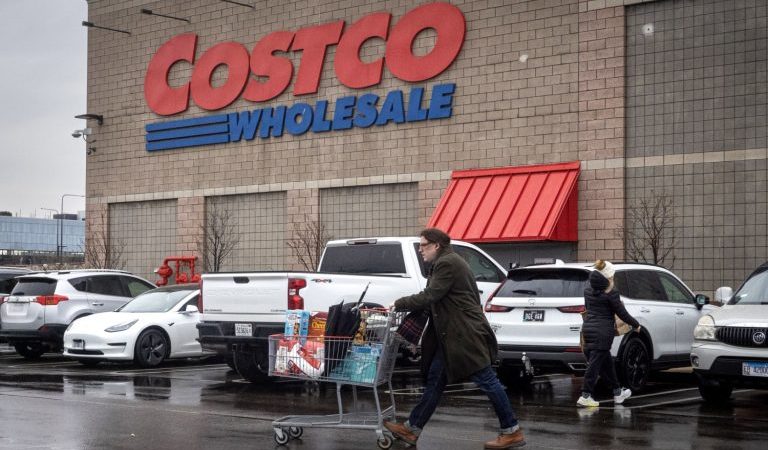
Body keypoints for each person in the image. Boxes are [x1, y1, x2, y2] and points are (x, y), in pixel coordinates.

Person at [384, 228, 525, 449]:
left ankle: (512, 431)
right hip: (452, 336)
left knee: (487, 379)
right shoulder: (446, 262)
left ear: (436, 245)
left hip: (464, 334)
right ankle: (412, 429)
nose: (420, 250)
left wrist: (399, 303)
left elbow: (431, 295)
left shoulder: (447, 263)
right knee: (435, 382)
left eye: (424, 245)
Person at [577, 260, 641, 407]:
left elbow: (588, 309)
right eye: (612, 276)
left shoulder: (588, 291)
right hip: (603, 333)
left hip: (588, 329)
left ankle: (617, 393)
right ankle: (585, 395)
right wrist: (636, 324)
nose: (613, 278)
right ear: (607, 277)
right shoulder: (611, 293)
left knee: (607, 364)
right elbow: (622, 313)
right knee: (594, 365)